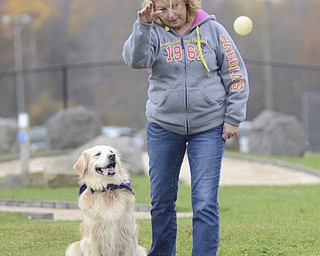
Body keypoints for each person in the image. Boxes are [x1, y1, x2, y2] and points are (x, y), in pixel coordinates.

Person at [122, 0, 249, 255]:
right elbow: (135, 60)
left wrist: (233, 117)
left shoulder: (213, 31)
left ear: (188, 3)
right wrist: (143, 26)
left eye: (176, 6)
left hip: (209, 127)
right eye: (163, 8)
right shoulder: (152, 31)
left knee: (204, 202)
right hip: (163, 127)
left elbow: (235, 74)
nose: (171, 14)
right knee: (161, 201)